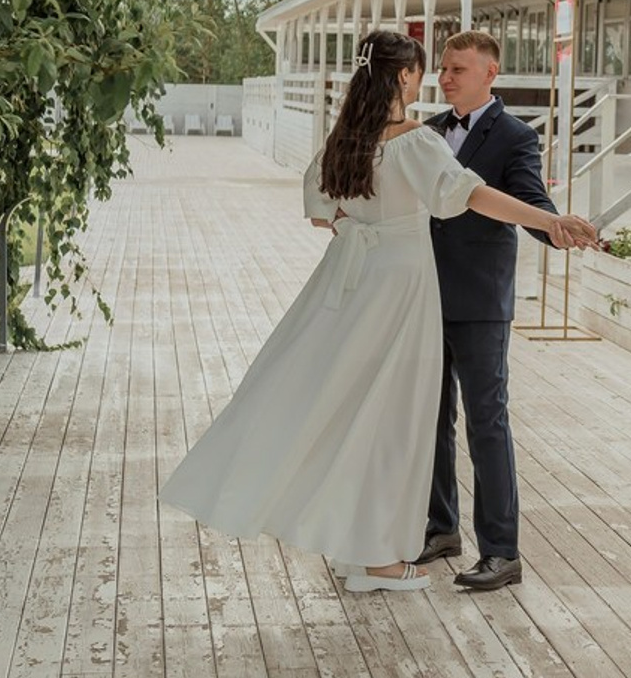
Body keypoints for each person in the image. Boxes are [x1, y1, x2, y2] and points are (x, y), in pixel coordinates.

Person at [159, 29, 597, 593]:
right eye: (424, 69)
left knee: (358, 411)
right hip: (404, 288)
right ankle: (380, 556)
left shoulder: (347, 138)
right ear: (401, 77)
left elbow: (321, 209)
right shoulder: (416, 139)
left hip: (359, 283)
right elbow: (471, 195)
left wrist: (357, 226)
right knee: (394, 422)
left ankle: (364, 546)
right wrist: (549, 222)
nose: (433, 78)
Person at [416, 29, 564, 592]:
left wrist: (556, 227)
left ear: (489, 74)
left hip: (479, 301)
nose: (446, 77)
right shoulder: (428, 131)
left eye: (457, 69)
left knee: (486, 423)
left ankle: (502, 551)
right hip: (422, 296)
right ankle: (441, 527)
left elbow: (530, 200)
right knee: (430, 419)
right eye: (444, 69)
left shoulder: (515, 136)